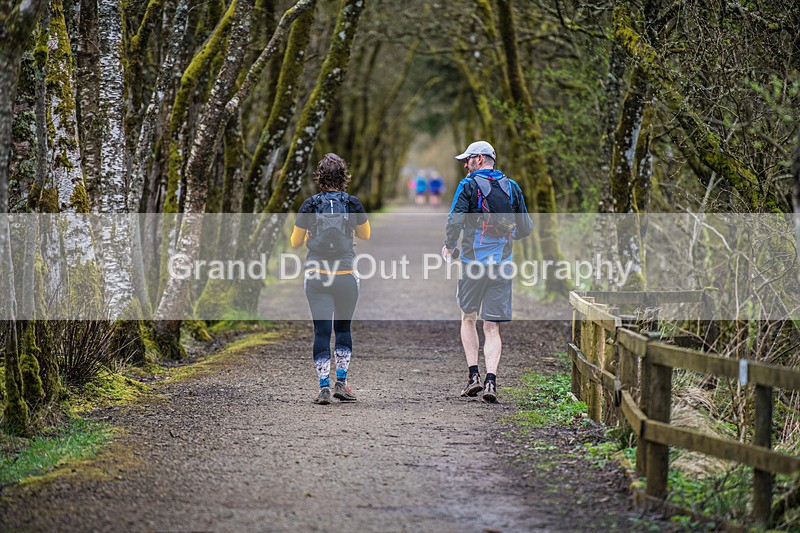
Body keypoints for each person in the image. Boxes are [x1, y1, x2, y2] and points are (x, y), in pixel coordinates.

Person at [442, 141, 532, 402]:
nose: (464, 164)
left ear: (479, 159)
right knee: (492, 327)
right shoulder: (512, 187)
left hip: (472, 264)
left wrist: (449, 246)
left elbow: (455, 220)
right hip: (501, 266)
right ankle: (491, 381)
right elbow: (525, 228)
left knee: (468, 318)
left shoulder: (468, 185)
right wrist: (507, 236)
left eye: (467, 160)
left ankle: (473, 377)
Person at [291, 153, 371, 405]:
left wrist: (308, 237)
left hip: (317, 277)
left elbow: (294, 242)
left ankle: (323, 388)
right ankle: (342, 384)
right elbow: (366, 235)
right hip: (346, 275)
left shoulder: (310, 204)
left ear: (320, 177)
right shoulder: (352, 202)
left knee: (322, 331)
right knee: (343, 329)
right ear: (344, 177)